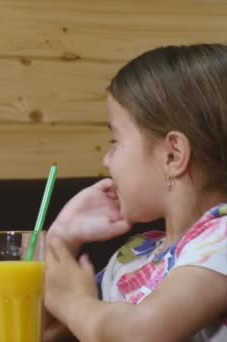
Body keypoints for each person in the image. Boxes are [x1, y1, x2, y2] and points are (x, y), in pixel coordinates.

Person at [44, 43, 227, 341]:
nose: (106, 159)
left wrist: (73, 302)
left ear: (172, 155)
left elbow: (139, 334)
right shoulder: (136, 257)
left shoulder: (220, 241)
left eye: (115, 140)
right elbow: (49, 332)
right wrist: (62, 239)